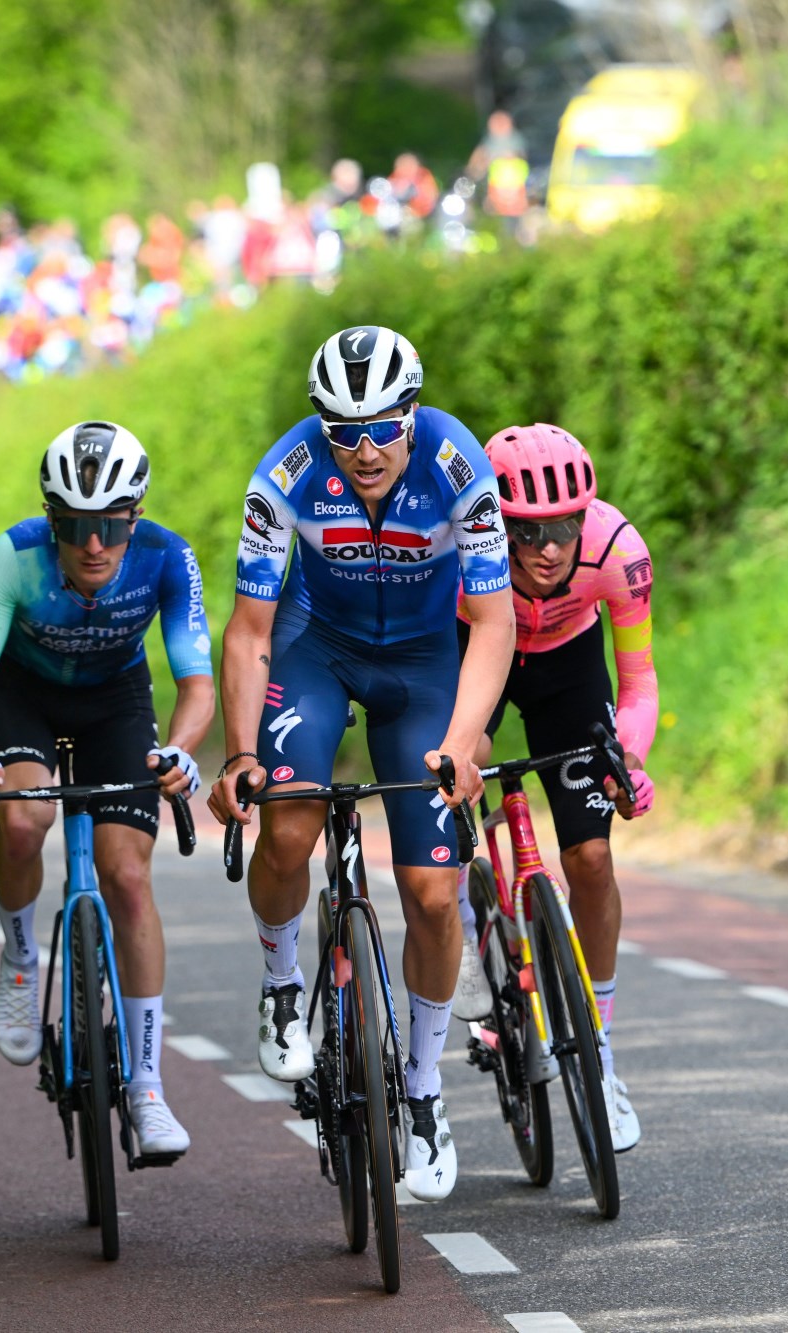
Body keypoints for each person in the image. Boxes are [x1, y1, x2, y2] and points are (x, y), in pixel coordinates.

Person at [207, 326, 514, 1202]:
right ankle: (280, 985)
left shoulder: (458, 467)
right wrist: (239, 754)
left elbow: (494, 621)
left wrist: (461, 740)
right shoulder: (286, 474)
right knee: (287, 827)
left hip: (422, 664)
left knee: (432, 895)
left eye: (383, 427)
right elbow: (251, 630)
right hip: (319, 649)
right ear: (323, 427)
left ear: (411, 414)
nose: (366, 449)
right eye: (344, 432)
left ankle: (422, 1090)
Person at [0, 421, 213, 1160]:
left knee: (128, 877)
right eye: (73, 525)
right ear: (51, 521)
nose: (94, 544)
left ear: (135, 517)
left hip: (115, 703)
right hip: (23, 697)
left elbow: (197, 681)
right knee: (22, 822)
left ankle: (148, 1088)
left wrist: (180, 751)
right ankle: (19, 955)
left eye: (112, 525)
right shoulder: (13, 556)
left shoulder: (167, 556)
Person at [454, 423, 657, 1152]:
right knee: (459, 765)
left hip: (570, 667)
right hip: (479, 648)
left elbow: (639, 682)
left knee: (592, 858)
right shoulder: (459, 546)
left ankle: (599, 1049)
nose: (549, 548)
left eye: (564, 527)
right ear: (498, 524)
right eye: (529, 531)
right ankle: (463, 922)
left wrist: (629, 760)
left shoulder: (618, 551)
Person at [468, 110, 531, 233]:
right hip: (493, 183)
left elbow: (520, 158)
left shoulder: (515, 140)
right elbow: (479, 155)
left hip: (512, 186)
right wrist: (474, 168)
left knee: (514, 214)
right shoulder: (489, 140)